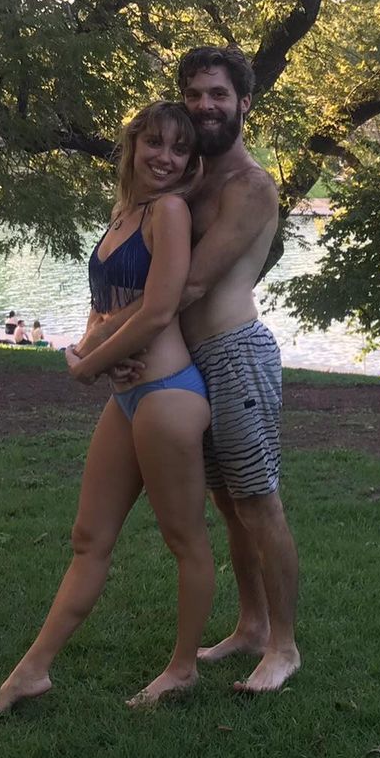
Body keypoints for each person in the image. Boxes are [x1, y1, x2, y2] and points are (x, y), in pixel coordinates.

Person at [0, 101, 213, 714]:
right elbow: (104, 304)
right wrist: (98, 353)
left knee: (184, 539)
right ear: (133, 144)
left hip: (168, 395)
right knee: (88, 537)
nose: (165, 158)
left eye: (180, 149)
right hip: (128, 394)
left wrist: (86, 366)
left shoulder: (169, 212)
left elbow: (159, 309)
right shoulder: (125, 212)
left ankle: (183, 669)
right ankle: (32, 671)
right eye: (155, 143)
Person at [94, 46, 300, 693]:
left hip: (234, 354)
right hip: (187, 359)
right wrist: (128, 340)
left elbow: (187, 286)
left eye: (218, 94)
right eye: (194, 94)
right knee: (228, 504)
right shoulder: (189, 178)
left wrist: (109, 344)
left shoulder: (250, 187)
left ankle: (284, 647)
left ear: (244, 103)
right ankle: (251, 626)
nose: (205, 105)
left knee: (257, 500)